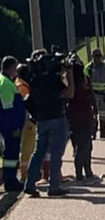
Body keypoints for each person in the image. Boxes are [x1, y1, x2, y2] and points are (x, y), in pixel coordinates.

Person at [24, 50, 75, 197]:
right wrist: (68, 72)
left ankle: (30, 184)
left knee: (38, 152)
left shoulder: (34, 78)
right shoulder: (53, 78)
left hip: (41, 119)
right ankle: (53, 187)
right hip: (57, 118)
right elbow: (70, 93)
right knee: (56, 153)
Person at [66, 59, 98, 182]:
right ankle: (84, 173)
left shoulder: (68, 82)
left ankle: (84, 172)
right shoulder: (82, 81)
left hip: (73, 117)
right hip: (84, 116)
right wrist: (95, 110)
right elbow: (90, 96)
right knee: (84, 146)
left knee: (80, 146)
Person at [0, 56, 26, 192]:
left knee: (10, 154)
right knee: (11, 154)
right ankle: (10, 181)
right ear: (10, 68)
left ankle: (10, 179)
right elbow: (8, 109)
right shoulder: (5, 84)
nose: (16, 70)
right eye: (15, 67)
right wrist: (14, 127)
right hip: (10, 127)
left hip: (9, 125)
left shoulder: (6, 81)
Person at [85, 49, 105, 139]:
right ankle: (93, 133)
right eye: (96, 56)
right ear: (92, 56)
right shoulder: (88, 67)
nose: (97, 58)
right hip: (93, 94)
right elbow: (84, 80)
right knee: (93, 115)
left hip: (104, 94)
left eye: (99, 55)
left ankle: (103, 132)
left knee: (104, 114)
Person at [15, 63, 35, 184]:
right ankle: (24, 176)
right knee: (27, 149)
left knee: (27, 149)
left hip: (25, 121)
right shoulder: (22, 87)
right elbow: (27, 105)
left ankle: (26, 174)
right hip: (27, 122)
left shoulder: (19, 84)